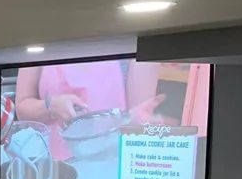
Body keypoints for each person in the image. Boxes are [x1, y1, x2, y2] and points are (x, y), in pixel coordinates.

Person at [15, 60, 164, 160]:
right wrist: (52, 107)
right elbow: (22, 108)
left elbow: (139, 120)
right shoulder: (39, 34)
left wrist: (138, 121)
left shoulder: (134, 41)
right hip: (53, 170)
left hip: (111, 175)